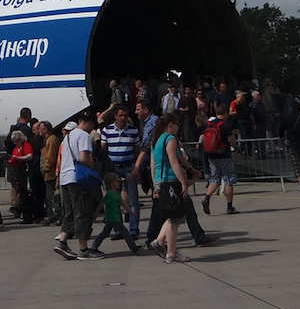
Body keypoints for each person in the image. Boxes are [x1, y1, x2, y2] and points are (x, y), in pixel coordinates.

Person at [54, 113, 102, 260]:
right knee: (82, 211)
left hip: (65, 178)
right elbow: (83, 158)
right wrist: (93, 166)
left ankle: (62, 241)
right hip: (77, 178)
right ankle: (84, 249)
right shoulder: (83, 136)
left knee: (69, 212)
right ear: (88, 123)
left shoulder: (67, 137)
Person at [149, 113, 192, 263]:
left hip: (160, 180)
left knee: (172, 214)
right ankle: (171, 252)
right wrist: (183, 182)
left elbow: (153, 164)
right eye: (177, 125)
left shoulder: (156, 140)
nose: (178, 128)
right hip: (170, 180)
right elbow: (174, 162)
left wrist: (155, 184)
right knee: (174, 218)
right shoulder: (170, 139)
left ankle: (160, 241)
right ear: (171, 124)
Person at [99, 105, 141, 237]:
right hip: (113, 169)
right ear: (115, 116)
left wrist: (136, 167)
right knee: (114, 201)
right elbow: (103, 149)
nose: (123, 118)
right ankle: (119, 230)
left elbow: (137, 150)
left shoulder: (133, 131)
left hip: (128, 167)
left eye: (125, 116)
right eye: (121, 115)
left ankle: (134, 229)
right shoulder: (107, 130)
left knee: (133, 199)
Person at [92, 172, 142, 255]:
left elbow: (123, 204)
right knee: (125, 232)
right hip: (112, 218)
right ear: (111, 183)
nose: (119, 183)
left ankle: (94, 246)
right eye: (117, 182)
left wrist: (131, 212)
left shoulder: (116, 194)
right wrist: (96, 213)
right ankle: (134, 248)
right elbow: (101, 203)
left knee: (105, 233)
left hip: (114, 218)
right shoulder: (109, 194)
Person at [201, 110, 240, 215]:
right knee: (228, 180)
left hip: (211, 155)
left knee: (214, 179)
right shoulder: (224, 125)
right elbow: (232, 140)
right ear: (225, 114)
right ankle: (229, 206)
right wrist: (235, 142)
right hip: (224, 155)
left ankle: (207, 198)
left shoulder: (209, 124)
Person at [38, 121, 60, 226]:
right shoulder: (47, 140)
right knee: (49, 196)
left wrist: (45, 167)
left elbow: (50, 156)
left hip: (51, 173)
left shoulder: (51, 140)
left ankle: (56, 217)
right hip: (48, 173)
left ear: (45, 130)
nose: (39, 130)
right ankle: (51, 216)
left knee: (53, 196)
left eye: (40, 128)